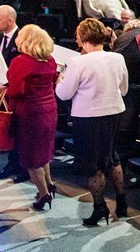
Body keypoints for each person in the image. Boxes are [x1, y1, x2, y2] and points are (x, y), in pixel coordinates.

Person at [55, 18, 130, 225]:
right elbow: (124, 90)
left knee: (92, 164)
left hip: (88, 117)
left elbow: (64, 94)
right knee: (112, 157)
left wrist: (60, 80)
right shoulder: (117, 58)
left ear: (81, 38)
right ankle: (122, 201)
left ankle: (100, 207)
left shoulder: (77, 62)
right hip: (114, 112)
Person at [4, 25, 59, 210]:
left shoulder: (21, 61)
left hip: (29, 114)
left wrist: (2, 89)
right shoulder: (50, 60)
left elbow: (15, 91)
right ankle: (49, 184)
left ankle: (43, 194)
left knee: (31, 158)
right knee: (43, 151)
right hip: (49, 111)